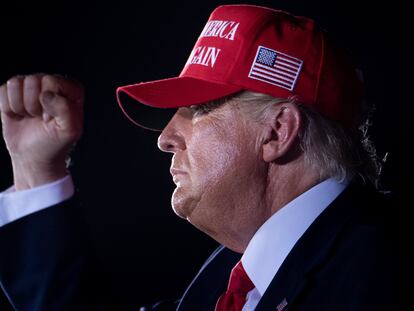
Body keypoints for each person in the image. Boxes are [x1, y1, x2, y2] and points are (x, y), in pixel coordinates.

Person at [0, 4, 409, 311]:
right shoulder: (232, 276)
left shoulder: (385, 268)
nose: (165, 138)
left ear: (278, 131)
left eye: (198, 109)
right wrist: (37, 169)